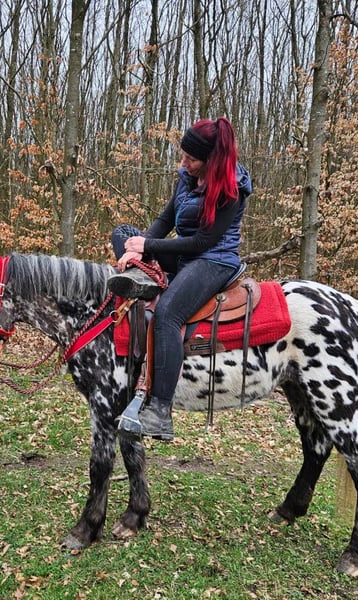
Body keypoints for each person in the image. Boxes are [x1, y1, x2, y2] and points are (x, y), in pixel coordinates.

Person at [108, 116, 253, 441]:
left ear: (211, 161)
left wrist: (148, 247)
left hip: (213, 260)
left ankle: (160, 411)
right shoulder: (187, 178)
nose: (183, 163)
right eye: (183, 156)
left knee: (167, 314)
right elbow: (165, 220)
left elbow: (202, 242)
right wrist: (137, 249)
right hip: (184, 255)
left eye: (190, 158)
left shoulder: (232, 190)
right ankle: (142, 276)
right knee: (123, 233)